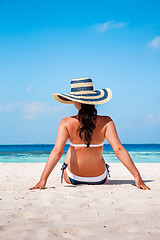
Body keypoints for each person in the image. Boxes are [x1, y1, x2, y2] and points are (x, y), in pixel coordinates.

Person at [29, 78, 150, 190]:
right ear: (94, 99)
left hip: (73, 178)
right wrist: (137, 175)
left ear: (75, 101)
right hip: (99, 178)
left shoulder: (66, 123)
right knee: (96, 151)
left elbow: (57, 152)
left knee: (70, 150)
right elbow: (118, 150)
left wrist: (43, 180)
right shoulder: (106, 121)